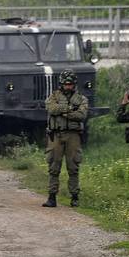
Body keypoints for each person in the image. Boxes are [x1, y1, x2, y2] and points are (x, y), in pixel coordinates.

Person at [43, 69, 88, 208]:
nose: (68, 86)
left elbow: (81, 115)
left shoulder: (81, 99)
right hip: (56, 134)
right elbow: (51, 108)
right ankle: (52, 197)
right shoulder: (54, 96)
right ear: (61, 84)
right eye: (66, 84)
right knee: (53, 166)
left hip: (73, 135)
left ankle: (75, 197)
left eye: (70, 84)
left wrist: (65, 113)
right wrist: (69, 109)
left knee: (73, 166)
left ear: (74, 84)